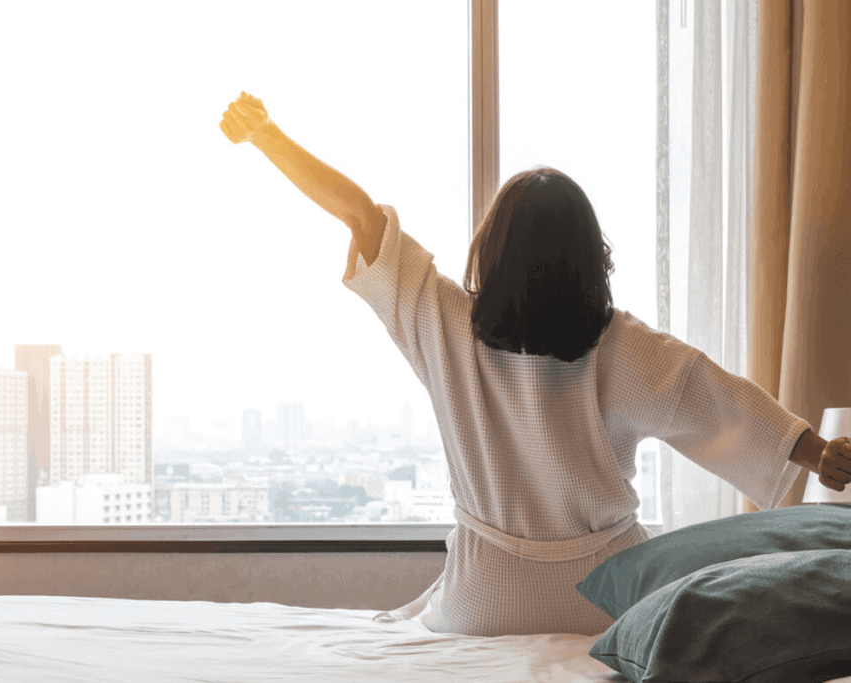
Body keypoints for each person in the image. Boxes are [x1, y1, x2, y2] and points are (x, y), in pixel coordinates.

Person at [218, 92, 851, 636]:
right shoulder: (622, 346)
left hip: (482, 599)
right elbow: (718, 399)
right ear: (590, 257)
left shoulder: (445, 325)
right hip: (607, 596)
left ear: (490, 249)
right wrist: (819, 452)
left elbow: (360, 214)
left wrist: (266, 136)